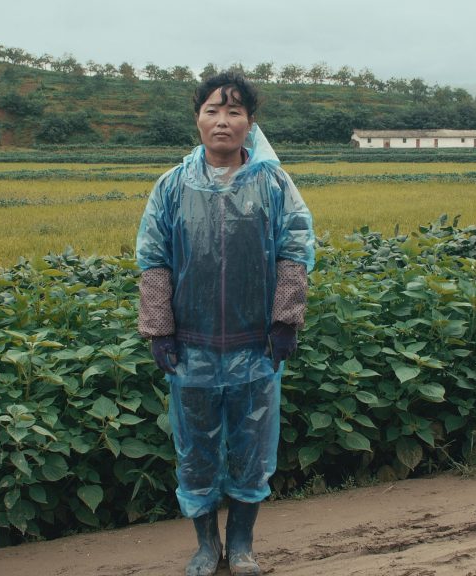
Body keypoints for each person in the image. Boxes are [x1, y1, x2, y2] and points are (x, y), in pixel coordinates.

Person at [135, 72, 315, 576]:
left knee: (251, 450)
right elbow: (153, 260)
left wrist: (285, 321)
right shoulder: (171, 187)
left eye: (235, 112)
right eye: (213, 110)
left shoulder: (274, 185)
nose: (223, 121)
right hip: (190, 349)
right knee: (195, 452)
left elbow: (295, 250)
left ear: (250, 124)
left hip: (255, 347)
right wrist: (159, 328)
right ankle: (204, 546)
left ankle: (241, 547)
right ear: (197, 117)